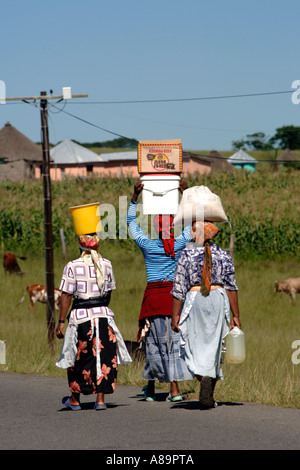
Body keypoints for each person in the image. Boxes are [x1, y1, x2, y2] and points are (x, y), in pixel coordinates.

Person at [56, 204, 131, 411]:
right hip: (104, 316)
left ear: (80, 243)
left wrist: (61, 321)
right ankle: (100, 400)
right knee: (103, 357)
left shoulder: (72, 266)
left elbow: (66, 296)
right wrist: (101, 308)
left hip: (80, 317)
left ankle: (75, 399)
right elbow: (109, 293)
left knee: (78, 356)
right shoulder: (106, 264)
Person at [127, 181, 193, 402]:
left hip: (153, 300)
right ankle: (173, 390)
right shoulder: (179, 243)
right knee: (172, 343)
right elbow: (191, 223)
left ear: (155, 229)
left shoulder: (148, 245)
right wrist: (185, 193)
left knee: (153, 342)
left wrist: (135, 197)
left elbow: (130, 223)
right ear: (171, 228)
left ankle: (151, 388)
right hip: (174, 300)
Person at [171, 219, 241, 408]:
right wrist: (236, 315)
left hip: (195, 299)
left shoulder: (186, 254)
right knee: (215, 347)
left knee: (192, 346)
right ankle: (209, 385)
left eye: (194, 231)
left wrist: (175, 315)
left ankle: (203, 379)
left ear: (198, 234)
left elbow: (179, 287)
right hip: (219, 299)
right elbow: (231, 287)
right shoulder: (223, 255)